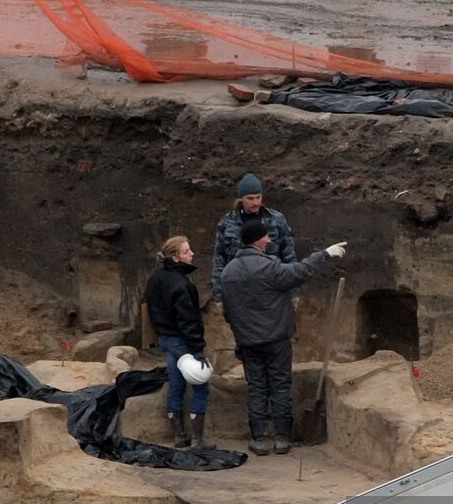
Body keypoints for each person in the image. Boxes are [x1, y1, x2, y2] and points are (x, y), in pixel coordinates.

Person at [221, 219, 346, 455]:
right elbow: (300, 271)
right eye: (266, 236)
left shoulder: (228, 272)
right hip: (276, 339)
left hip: (248, 341)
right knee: (279, 386)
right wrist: (325, 255)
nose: (269, 240)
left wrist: (242, 332)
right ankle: (281, 437)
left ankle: (259, 438)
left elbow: (227, 311)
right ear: (257, 240)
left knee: (256, 386)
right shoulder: (270, 267)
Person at [145, 236, 213, 448]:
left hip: (166, 339)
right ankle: (198, 440)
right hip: (183, 341)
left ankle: (179, 436)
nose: (192, 254)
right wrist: (198, 349)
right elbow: (188, 320)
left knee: (176, 385)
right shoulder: (182, 285)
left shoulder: (155, 279)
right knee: (201, 386)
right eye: (186, 251)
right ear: (175, 258)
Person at [211, 173, 297, 309]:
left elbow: (289, 256)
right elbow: (219, 260)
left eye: (258, 197)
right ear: (241, 199)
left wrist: (293, 293)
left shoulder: (276, 220)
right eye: (250, 198)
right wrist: (219, 295)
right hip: (239, 290)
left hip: (271, 288)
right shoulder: (227, 223)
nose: (256, 202)